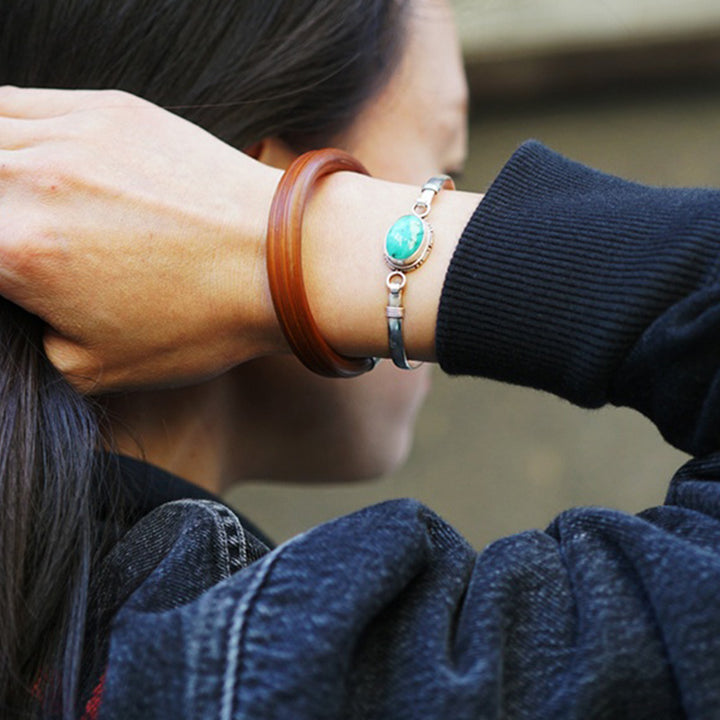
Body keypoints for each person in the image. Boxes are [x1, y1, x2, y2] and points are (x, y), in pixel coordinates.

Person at [3, 7, 720, 720]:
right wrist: (295, 236)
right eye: (441, 176)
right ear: (210, 186)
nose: (441, 209)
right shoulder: (272, 671)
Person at [0, 0, 466, 717]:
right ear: (237, 182)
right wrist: (297, 242)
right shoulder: (314, 661)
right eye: (442, 174)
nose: (461, 214)